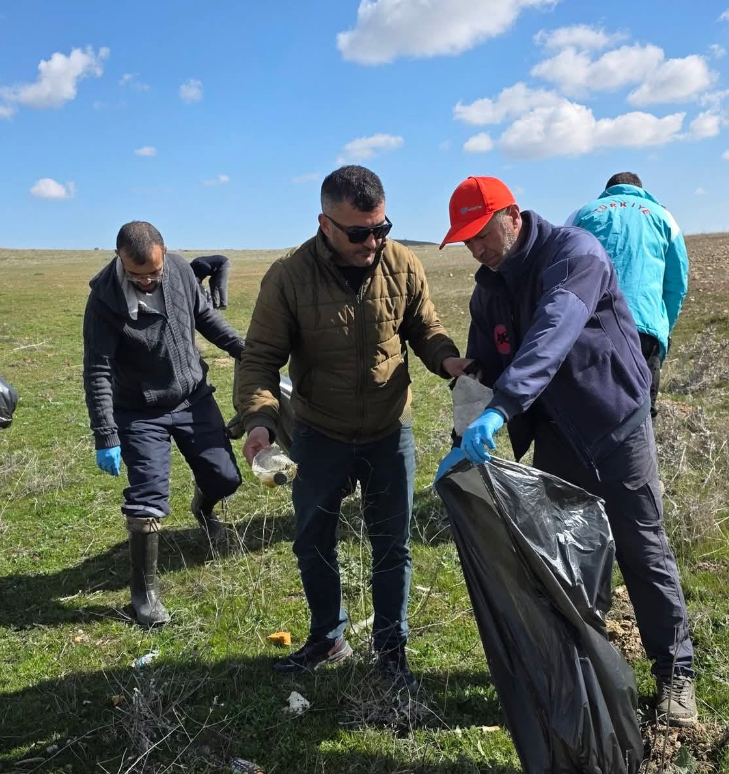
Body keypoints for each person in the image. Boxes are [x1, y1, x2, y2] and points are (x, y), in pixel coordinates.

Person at [437, 176, 696, 725]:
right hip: (555, 436)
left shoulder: (575, 253)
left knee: (639, 547)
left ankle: (676, 674)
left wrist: (502, 407)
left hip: (615, 423)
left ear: (511, 215)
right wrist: (463, 439)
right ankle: (585, 666)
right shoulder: (489, 290)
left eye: (481, 234)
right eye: (466, 241)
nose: (475, 249)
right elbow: (482, 366)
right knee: (566, 555)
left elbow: (553, 332)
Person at [238, 165, 468, 690]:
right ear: (325, 223)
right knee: (313, 539)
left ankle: (391, 651)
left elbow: (424, 326)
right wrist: (260, 420)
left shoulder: (402, 262)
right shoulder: (289, 277)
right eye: (358, 233)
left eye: (381, 229)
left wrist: (447, 359)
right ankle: (327, 637)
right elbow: (259, 360)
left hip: (390, 430)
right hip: (319, 430)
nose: (372, 242)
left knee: (393, 545)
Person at [83, 221, 245, 628]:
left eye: (153, 272)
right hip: (138, 412)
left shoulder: (179, 271)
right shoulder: (103, 301)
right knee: (147, 499)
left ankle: (204, 507)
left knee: (225, 479)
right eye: (138, 275)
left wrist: (246, 351)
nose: (148, 280)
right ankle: (144, 595)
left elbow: (206, 318)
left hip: (193, 397)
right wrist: (106, 433)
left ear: (164, 253)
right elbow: (98, 370)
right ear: (120, 259)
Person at [566, 173, 688, 418]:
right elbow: (677, 283)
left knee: (587, 412)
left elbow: (562, 266)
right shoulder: (663, 217)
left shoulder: (582, 214)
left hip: (589, 326)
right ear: (640, 190)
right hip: (643, 328)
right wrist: (662, 329)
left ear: (608, 191)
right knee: (640, 416)